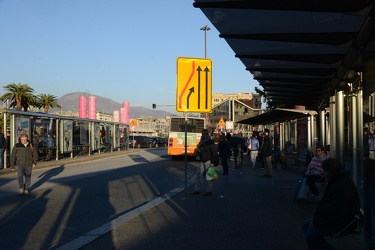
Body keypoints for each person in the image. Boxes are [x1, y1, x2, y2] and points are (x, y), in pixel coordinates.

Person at [301, 158, 360, 250]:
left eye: (324, 172)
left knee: (310, 234)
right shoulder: (338, 181)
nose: (323, 174)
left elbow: (334, 211)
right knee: (306, 226)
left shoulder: (339, 186)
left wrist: (316, 222)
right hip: (338, 218)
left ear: (329, 172)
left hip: (342, 221)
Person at [190, 129, 219, 196]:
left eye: (205, 134)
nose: (203, 135)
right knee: (198, 175)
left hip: (208, 161)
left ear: (207, 134)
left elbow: (214, 152)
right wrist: (197, 151)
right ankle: (196, 190)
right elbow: (201, 151)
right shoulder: (201, 142)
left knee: (209, 176)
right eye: (203, 134)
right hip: (202, 160)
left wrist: (213, 162)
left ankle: (209, 190)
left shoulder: (210, 142)